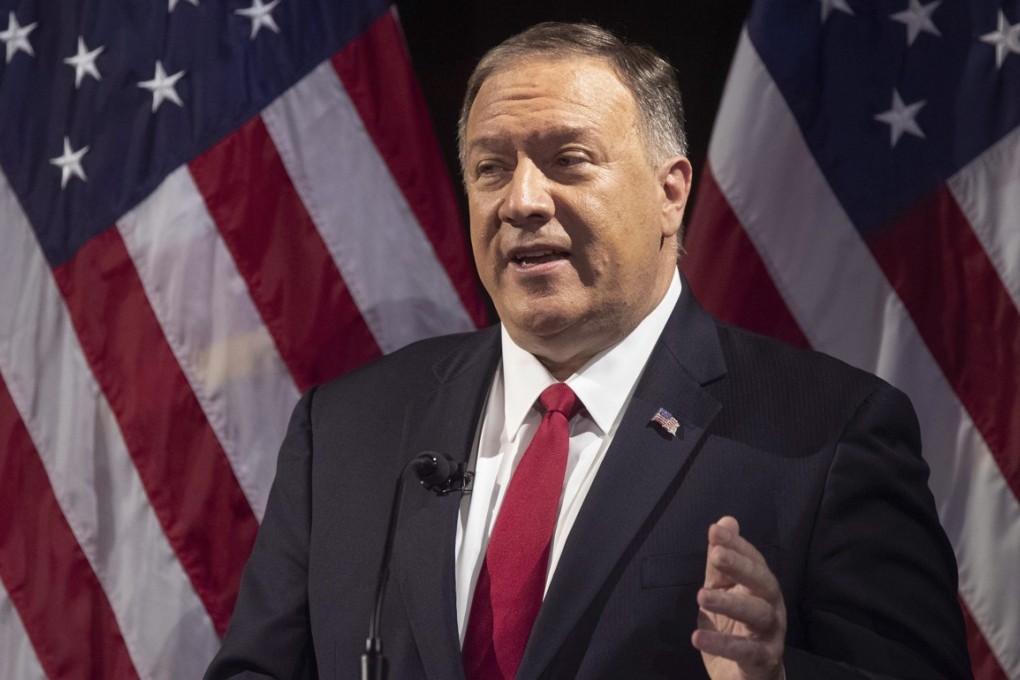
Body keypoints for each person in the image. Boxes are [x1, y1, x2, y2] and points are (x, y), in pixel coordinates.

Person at [205, 21, 972, 680]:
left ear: (671, 192)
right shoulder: (348, 429)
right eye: (490, 168)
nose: (522, 201)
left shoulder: (826, 435)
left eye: (568, 160)